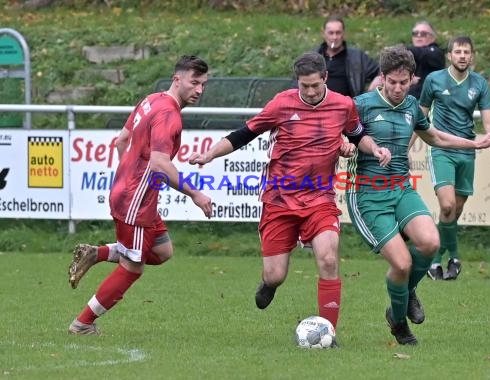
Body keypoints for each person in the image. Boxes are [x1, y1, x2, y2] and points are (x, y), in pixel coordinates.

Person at [188, 51, 391, 334]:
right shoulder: (282, 103)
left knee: (329, 258)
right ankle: (269, 283)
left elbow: (358, 135)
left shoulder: (343, 105)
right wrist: (209, 155)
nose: (309, 91)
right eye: (303, 85)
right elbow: (244, 133)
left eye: (314, 86)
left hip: (320, 198)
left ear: (325, 78)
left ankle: (328, 333)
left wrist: (374, 148)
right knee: (276, 274)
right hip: (279, 199)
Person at [347, 45, 490, 345]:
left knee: (431, 243)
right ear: (382, 78)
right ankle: (399, 324)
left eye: (404, 82)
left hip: (401, 189)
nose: (397, 88)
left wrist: (476, 144)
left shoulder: (411, 107)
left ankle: (404, 296)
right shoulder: (361, 104)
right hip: (368, 196)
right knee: (402, 264)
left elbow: (436, 136)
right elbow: (341, 134)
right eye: (392, 82)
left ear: (412, 80)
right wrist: (348, 145)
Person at [67, 55, 213, 335]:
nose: (199, 90)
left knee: (161, 252)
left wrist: (129, 175)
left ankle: (95, 253)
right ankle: (82, 324)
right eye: (194, 83)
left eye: (203, 84)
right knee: (132, 267)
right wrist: (195, 194)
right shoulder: (169, 115)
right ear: (177, 79)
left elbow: (121, 140)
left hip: (134, 195)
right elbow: (160, 164)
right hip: (136, 200)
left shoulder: (152, 99)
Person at [419, 36, 490, 281]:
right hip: (441, 149)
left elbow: (489, 121)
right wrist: (404, 151)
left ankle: (435, 260)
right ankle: (455, 256)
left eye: (466, 52)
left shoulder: (479, 83)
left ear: (472, 56)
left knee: (454, 212)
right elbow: (420, 116)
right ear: (449, 55)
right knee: (446, 205)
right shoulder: (434, 80)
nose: (462, 55)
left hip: (467, 150)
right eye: (457, 51)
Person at [368, 20, 445, 99]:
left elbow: (422, 53)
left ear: (433, 38)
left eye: (423, 34)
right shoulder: (407, 54)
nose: (418, 35)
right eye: (415, 33)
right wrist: (379, 77)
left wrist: (398, 50)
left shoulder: (436, 52)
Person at [311, 15, 379, 97]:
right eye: (331, 33)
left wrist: (379, 78)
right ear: (324, 34)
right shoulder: (313, 56)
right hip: (318, 105)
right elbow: (298, 81)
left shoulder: (357, 57)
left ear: (344, 34)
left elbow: (383, 69)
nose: (334, 37)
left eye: (338, 33)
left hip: (347, 106)